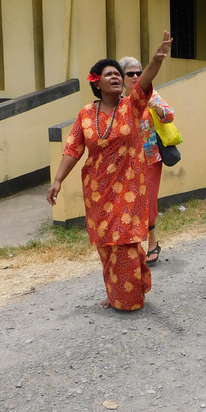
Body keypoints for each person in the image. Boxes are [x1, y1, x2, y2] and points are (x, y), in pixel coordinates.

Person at [47, 31, 173, 311]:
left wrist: (157, 58)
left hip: (129, 188)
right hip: (97, 190)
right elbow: (72, 149)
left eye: (119, 73)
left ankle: (130, 298)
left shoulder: (132, 105)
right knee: (107, 244)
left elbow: (147, 79)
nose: (116, 77)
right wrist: (57, 180)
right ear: (97, 82)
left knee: (125, 241)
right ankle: (116, 292)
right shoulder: (85, 114)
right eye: (109, 74)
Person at [119, 56, 175, 267]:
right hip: (125, 163)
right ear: (122, 78)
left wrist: (156, 108)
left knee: (149, 201)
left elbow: (170, 116)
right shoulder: (119, 100)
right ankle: (132, 245)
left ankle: (152, 240)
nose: (135, 77)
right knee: (129, 202)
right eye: (130, 73)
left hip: (150, 158)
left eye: (138, 73)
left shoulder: (152, 94)